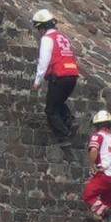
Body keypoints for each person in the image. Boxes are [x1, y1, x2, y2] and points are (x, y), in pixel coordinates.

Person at [29, 9, 81, 142]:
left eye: (38, 28)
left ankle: (64, 135)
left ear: (42, 27)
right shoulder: (63, 37)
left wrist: (37, 81)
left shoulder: (47, 39)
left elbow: (43, 62)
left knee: (50, 110)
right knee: (58, 102)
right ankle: (71, 121)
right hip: (72, 75)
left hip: (60, 76)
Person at [83, 110, 111, 222]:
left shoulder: (98, 136)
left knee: (89, 195)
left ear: (97, 125)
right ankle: (104, 221)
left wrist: (92, 164)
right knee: (106, 200)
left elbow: (94, 150)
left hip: (105, 173)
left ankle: (107, 214)